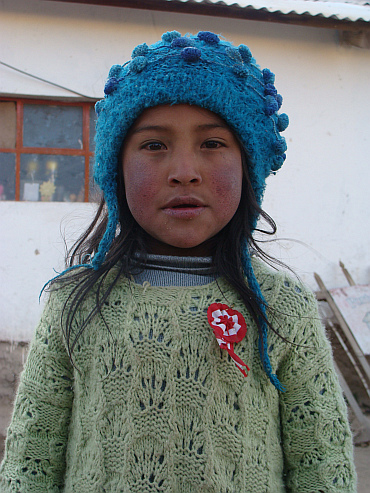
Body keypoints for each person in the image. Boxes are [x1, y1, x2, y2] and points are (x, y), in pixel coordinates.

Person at [0, 31, 356, 492]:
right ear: (116, 168)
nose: (184, 169)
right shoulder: (75, 302)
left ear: (249, 168)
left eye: (212, 144)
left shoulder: (282, 307)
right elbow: (32, 459)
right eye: (153, 145)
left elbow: (322, 465)